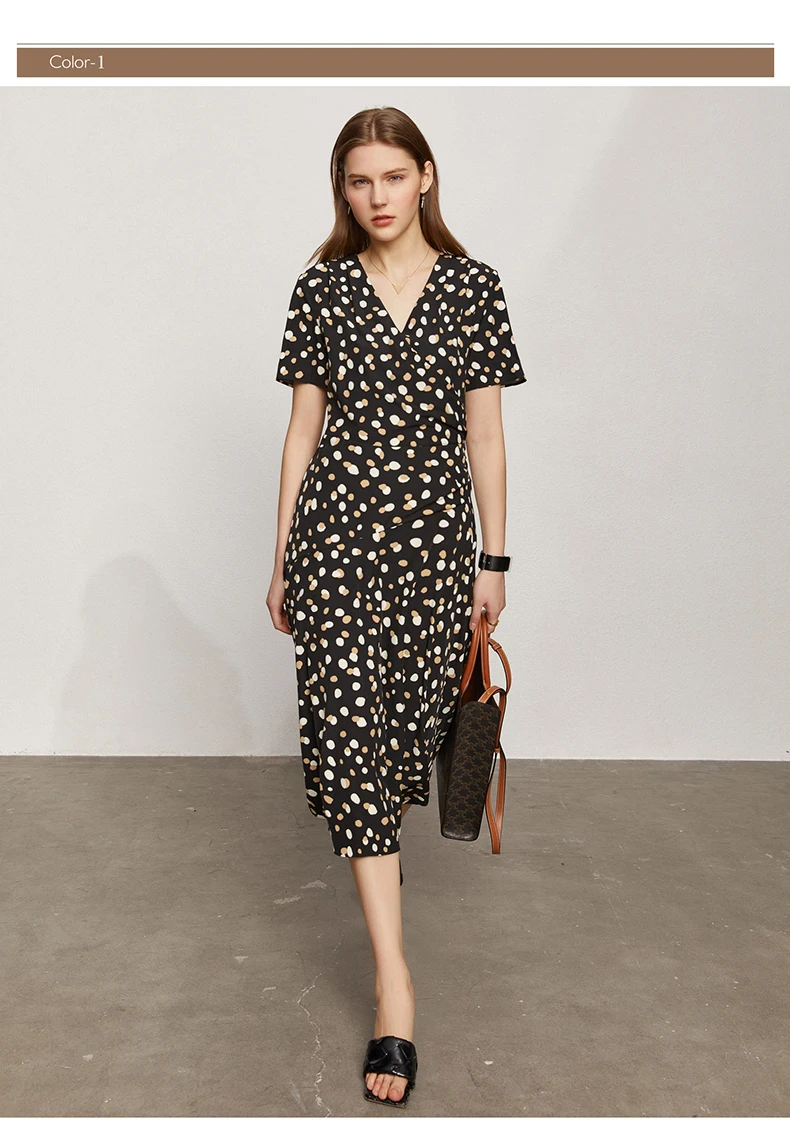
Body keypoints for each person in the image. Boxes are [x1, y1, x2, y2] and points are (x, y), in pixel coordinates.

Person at [267, 106, 527, 1108]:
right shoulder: (322, 288)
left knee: (403, 739)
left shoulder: (473, 287)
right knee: (349, 744)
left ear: (425, 176)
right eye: (356, 180)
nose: (374, 197)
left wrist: (493, 561)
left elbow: (485, 437)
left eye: (390, 176)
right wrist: (282, 557)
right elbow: (301, 432)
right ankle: (395, 988)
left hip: (432, 555)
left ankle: (381, 858)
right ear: (342, 189)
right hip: (335, 546)